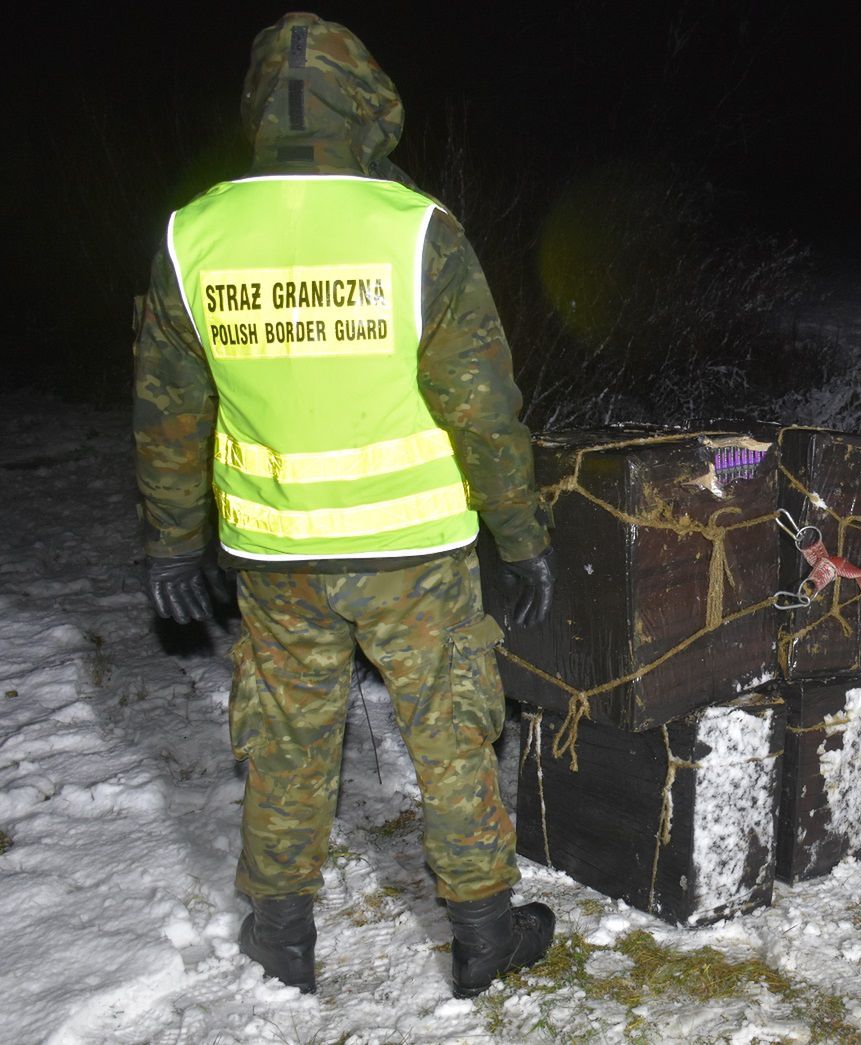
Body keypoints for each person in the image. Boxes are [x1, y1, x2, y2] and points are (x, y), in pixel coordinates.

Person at [132, 11, 556, 999]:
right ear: (367, 106)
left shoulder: (192, 234)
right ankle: (484, 933)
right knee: (450, 731)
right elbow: (485, 409)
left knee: (283, 735)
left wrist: (169, 546)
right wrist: (521, 534)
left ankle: (280, 931)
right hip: (416, 549)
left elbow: (164, 415)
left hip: (275, 556)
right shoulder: (414, 230)